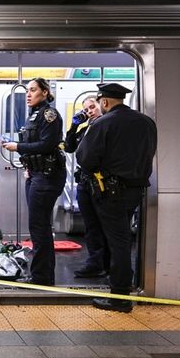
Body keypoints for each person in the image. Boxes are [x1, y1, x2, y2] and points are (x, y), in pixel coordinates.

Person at [76, 83, 157, 313]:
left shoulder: (103, 123)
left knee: (118, 241)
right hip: (135, 190)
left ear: (104, 102)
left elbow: (85, 158)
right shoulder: (146, 122)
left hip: (111, 192)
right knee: (121, 238)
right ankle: (120, 283)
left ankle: (120, 295)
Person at [2, 77, 66, 286]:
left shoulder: (49, 115)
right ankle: (42, 274)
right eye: (27, 91)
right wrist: (30, 167)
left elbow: (47, 145)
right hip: (37, 175)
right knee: (38, 227)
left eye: (33, 90)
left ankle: (42, 278)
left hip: (47, 177)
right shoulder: (34, 116)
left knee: (39, 227)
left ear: (45, 92)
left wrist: (17, 147)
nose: (28, 94)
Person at [64, 96, 110, 279]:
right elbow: (69, 147)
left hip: (100, 183)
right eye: (86, 110)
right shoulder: (85, 130)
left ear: (101, 106)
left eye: (92, 107)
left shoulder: (106, 127)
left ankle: (105, 262)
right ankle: (95, 261)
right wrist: (74, 126)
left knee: (103, 224)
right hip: (84, 183)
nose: (90, 111)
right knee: (91, 225)